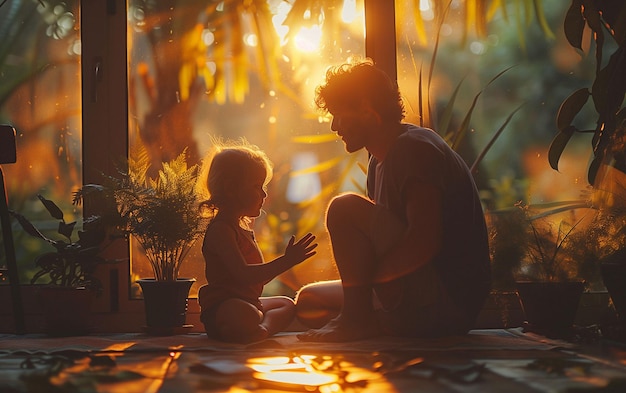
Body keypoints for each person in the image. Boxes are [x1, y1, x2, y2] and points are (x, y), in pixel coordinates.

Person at [295, 59, 492, 342]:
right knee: (309, 302)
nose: (334, 126)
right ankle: (369, 321)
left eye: (339, 114)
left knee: (343, 208)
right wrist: (365, 290)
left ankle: (357, 321)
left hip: (447, 303)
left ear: (365, 108)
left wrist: (371, 283)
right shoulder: (378, 162)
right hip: (414, 289)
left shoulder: (415, 149)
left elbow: (424, 241)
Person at [197, 140, 318, 344]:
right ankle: (247, 324)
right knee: (243, 313)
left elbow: (256, 279)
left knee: (287, 304)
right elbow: (245, 276)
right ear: (230, 188)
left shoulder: (243, 229)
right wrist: (287, 261)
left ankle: (262, 329)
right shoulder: (221, 230)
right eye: (256, 186)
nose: (264, 194)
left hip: (249, 303)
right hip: (224, 308)